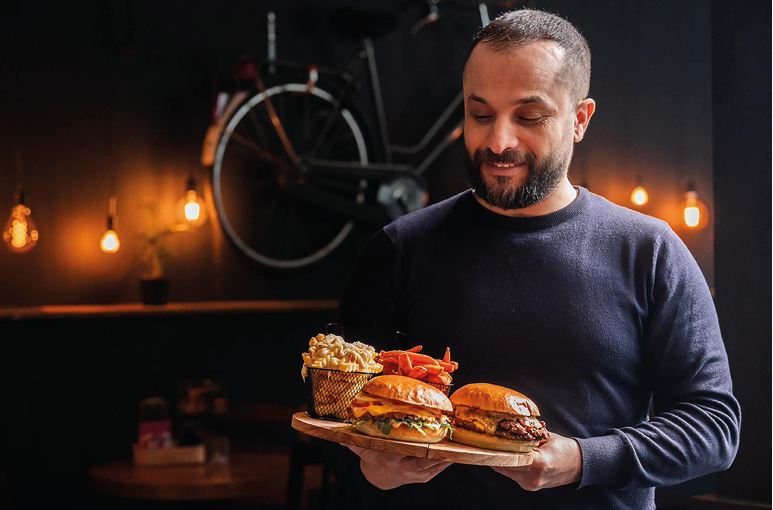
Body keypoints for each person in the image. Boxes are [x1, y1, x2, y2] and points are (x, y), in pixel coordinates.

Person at [328, 8, 741, 509]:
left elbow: (713, 428)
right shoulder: (398, 249)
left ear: (579, 120)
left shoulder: (650, 251)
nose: (498, 142)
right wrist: (373, 469)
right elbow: (336, 416)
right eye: (480, 114)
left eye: (528, 117)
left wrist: (584, 460)